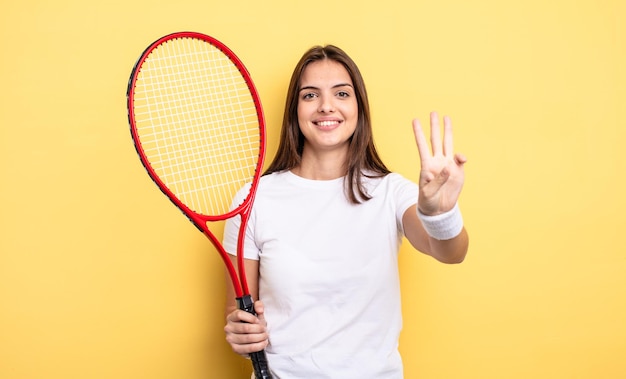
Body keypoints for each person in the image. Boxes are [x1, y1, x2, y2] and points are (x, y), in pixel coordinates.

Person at [223, 44, 469, 378]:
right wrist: (242, 333)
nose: (326, 106)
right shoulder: (254, 200)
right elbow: (239, 313)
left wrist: (438, 212)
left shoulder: (391, 192)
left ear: (359, 107)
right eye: (310, 96)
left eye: (341, 93)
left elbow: (450, 252)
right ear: (295, 109)